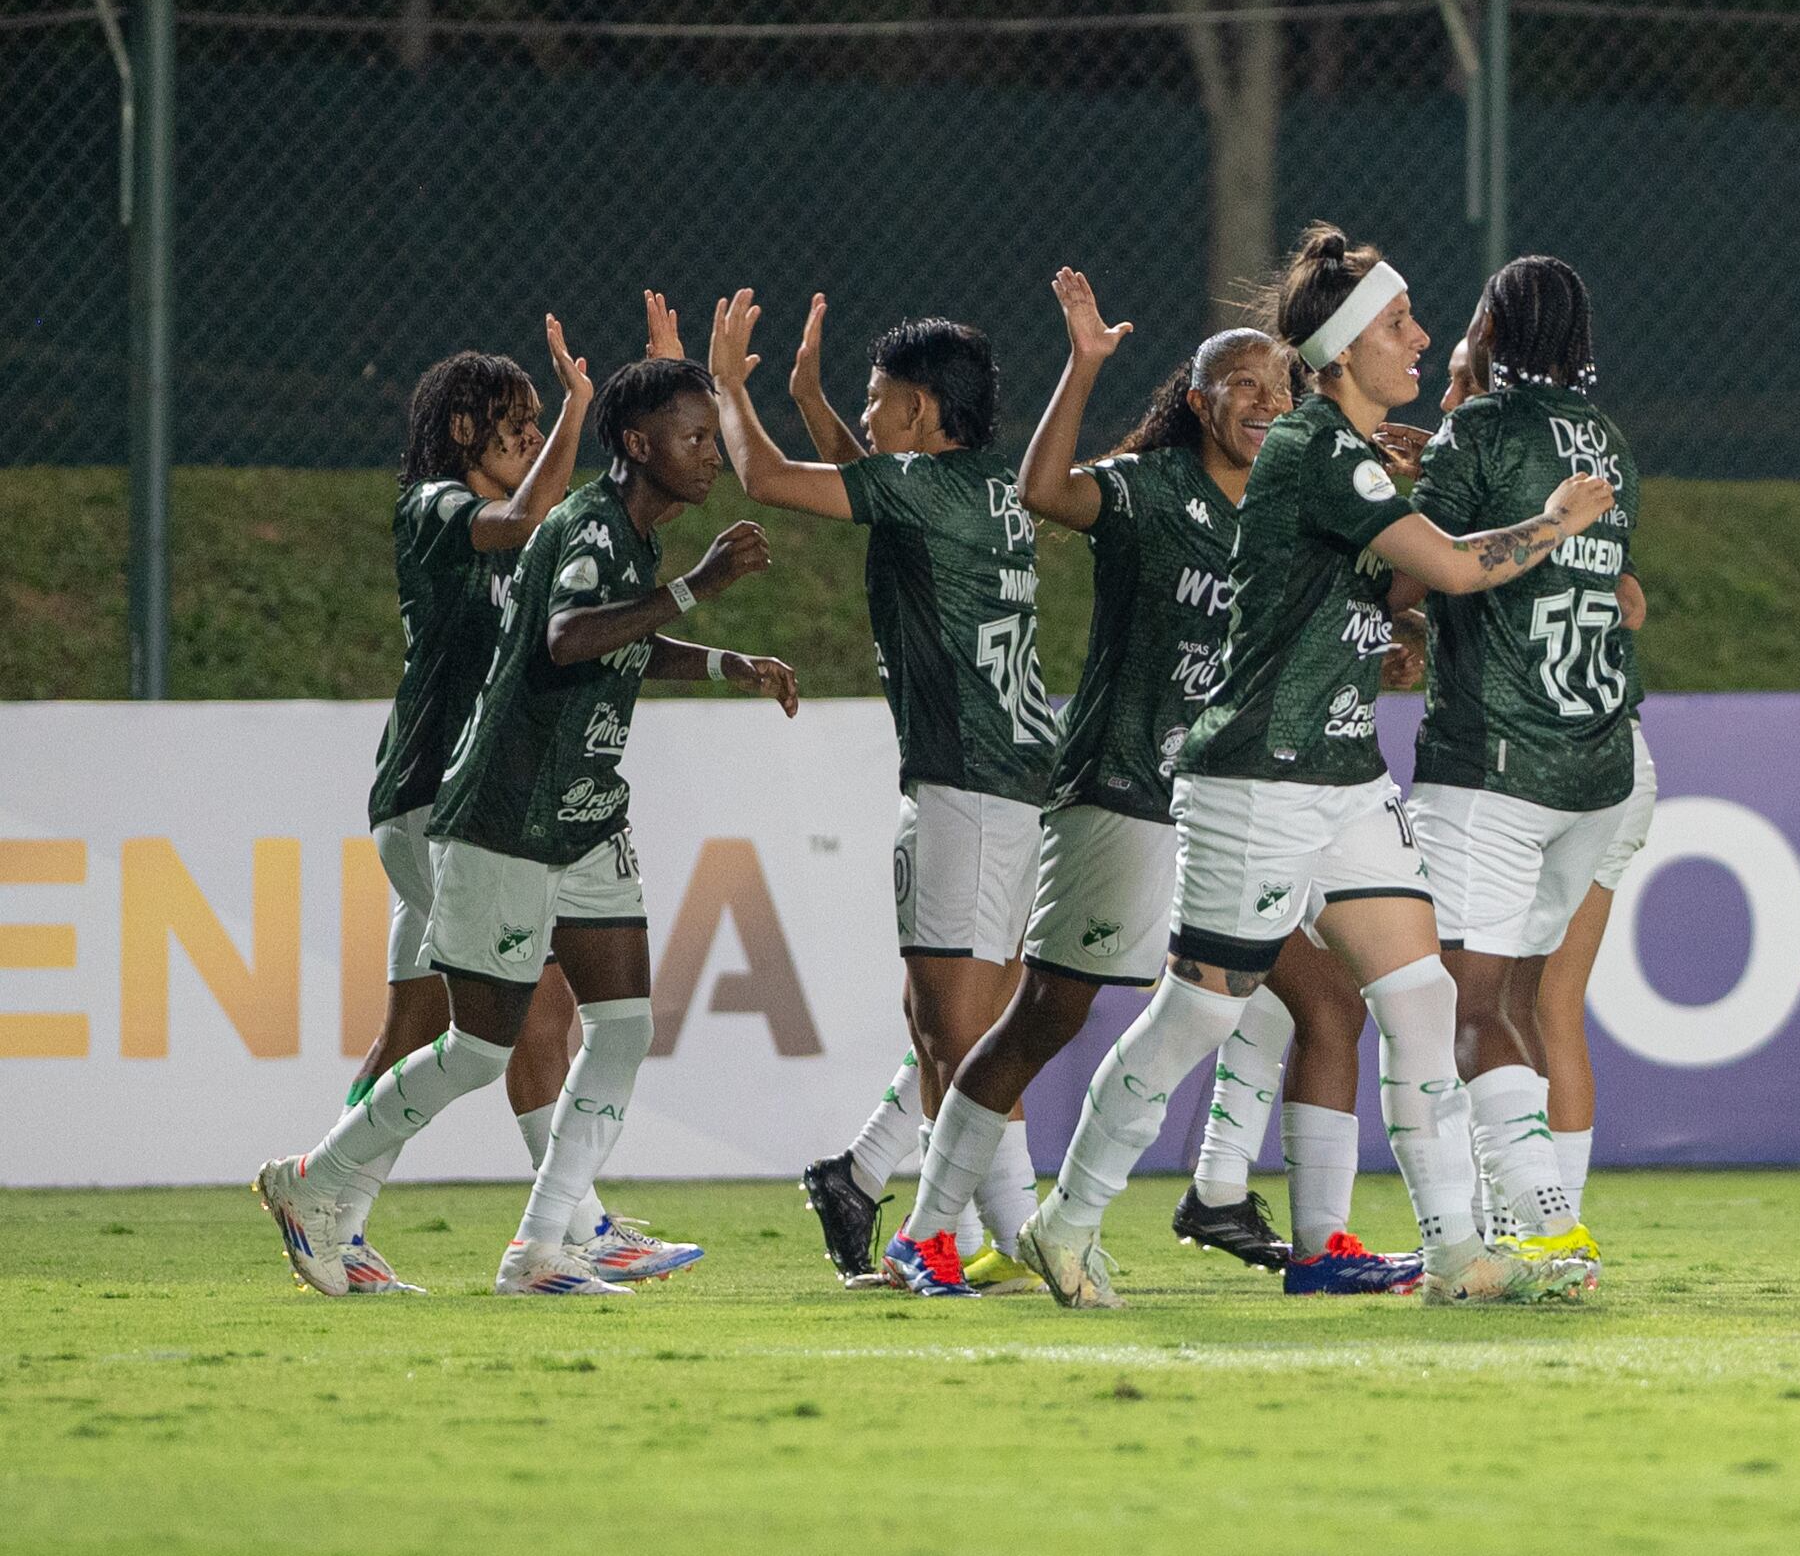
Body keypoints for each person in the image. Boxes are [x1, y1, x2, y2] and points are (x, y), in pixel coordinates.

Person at [888, 224, 1612, 1307]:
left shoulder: (1353, 458)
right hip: (1256, 778)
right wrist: (1551, 524)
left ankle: (1458, 1249)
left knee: (1416, 1000)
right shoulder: (1316, 452)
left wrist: (1382, 624)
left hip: (1344, 776)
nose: (1420, 339)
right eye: (1399, 325)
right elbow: (1456, 569)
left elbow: (1383, 591)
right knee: (1197, 1016)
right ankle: (1066, 1220)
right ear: (1346, 347)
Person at [258, 357, 797, 1295]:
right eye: (515, 423)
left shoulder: (577, 533)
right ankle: (553, 1223)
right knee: (508, 1025)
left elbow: (600, 619)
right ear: (462, 430)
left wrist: (719, 662)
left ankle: (386, 1214)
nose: (531, 439)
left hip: (550, 802)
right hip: (461, 796)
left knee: (480, 1026)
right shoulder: (449, 509)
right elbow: (564, 625)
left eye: (543, 422)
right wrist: (603, 419)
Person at [700, 292, 1059, 1291]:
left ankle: (985, 1238)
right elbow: (869, 482)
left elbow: (767, 478)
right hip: (1001, 781)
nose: (867, 414)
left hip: (971, 785)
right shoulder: (983, 485)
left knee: (958, 1031)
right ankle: (895, 1189)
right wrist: (811, 395)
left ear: (927, 412)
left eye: (878, 398)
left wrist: (733, 386)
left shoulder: (929, 490)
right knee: (945, 1023)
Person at [1391, 256, 1639, 1266]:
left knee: (1465, 1006)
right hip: (1595, 765)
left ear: (1494, 329)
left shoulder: (1482, 429)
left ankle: (1543, 1227)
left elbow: (1426, 562)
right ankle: (1518, 1225)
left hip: (1495, 758)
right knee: (1527, 1006)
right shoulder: (1607, 441)